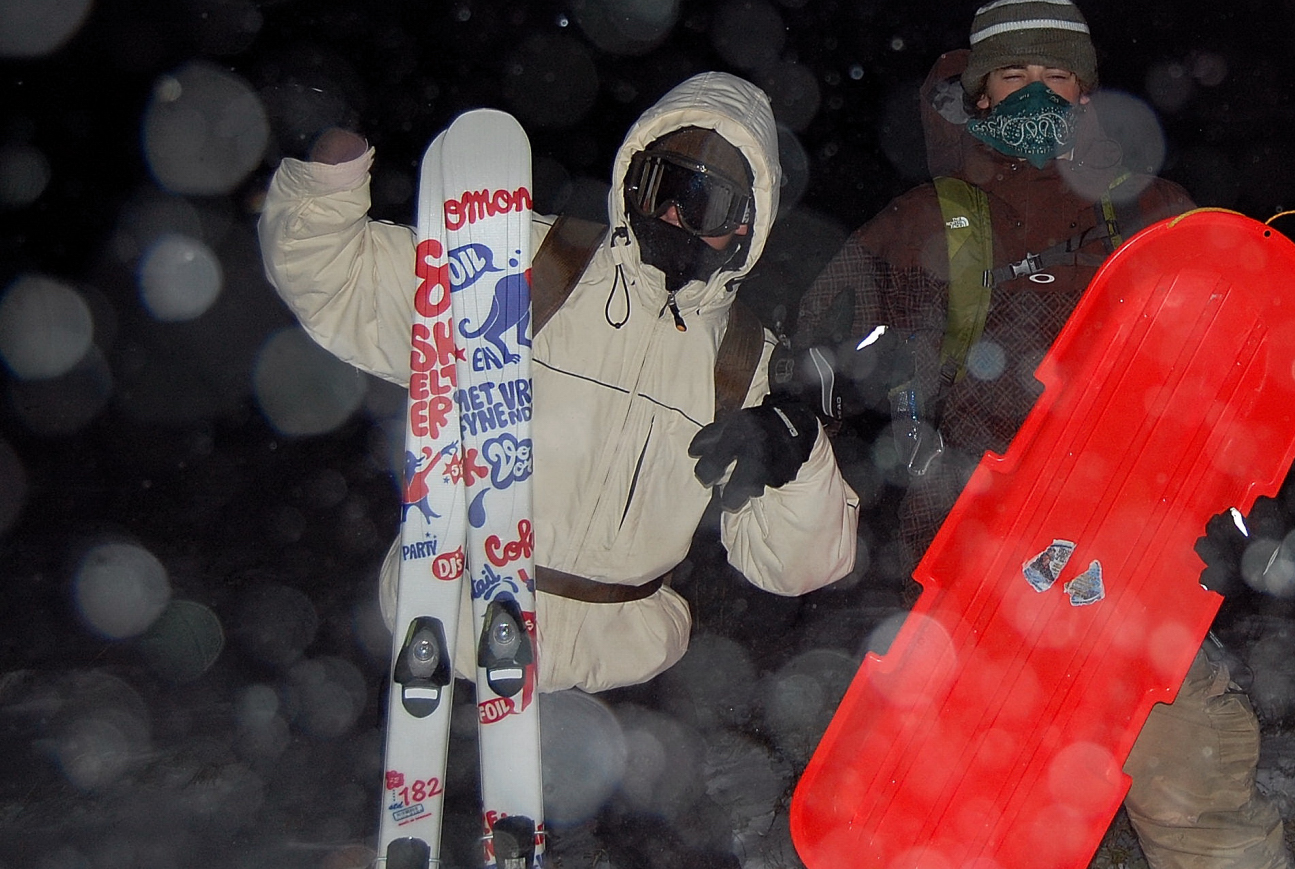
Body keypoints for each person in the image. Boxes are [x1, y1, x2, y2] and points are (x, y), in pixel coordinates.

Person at [795, 0, 1295, 869]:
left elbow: (1235, 386)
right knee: (904, 843)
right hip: (971, 589)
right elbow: (820, 330)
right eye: (1014, 77)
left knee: (1196, 797)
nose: (1037, 96)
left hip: (1130, 581)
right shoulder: (932, 221)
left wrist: (1236, 527)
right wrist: (853, 372)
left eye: (1058, 77)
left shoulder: (1154, 217)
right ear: (976, 93)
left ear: (1089, 92)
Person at [258, 70, 861, 696]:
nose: (672, 215)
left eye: (703, 202)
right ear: (633, 177)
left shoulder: (745, 362)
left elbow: (798, 569)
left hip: (620, 696)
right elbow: (335, 280)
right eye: (660, 186)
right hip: (450, 648)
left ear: (745, 225)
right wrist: (324, 172)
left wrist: (799, 455)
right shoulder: (525, 266)